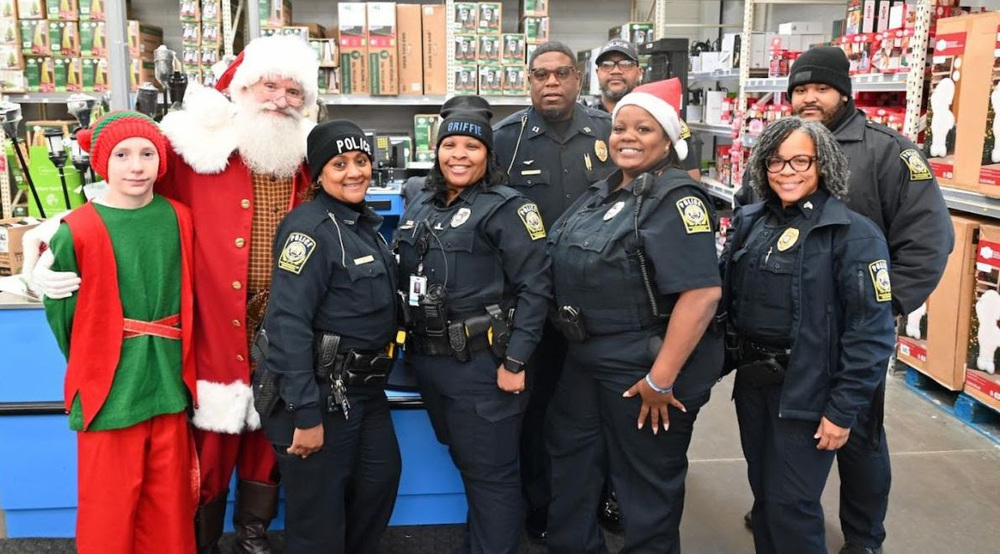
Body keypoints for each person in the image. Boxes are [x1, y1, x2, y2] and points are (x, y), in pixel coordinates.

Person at [26, 35, 321, 554]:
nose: (280, 98)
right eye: (269, 84)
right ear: (243, 88)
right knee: (208, 441)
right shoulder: (193, 153)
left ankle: (252, 533)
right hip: (209, 323)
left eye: (294, 90)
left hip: (284, 321)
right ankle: (199, 537)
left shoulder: (307, 160)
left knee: (270, 436)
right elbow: (128, 199)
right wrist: (49, 235)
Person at [735, 46, 954, 554]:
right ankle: (777, 504)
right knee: (782, 439)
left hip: (855, 327)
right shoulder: (774, 148)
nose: (809, 98)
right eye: (799, 90)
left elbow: (928, 241)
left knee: (856, 434)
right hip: (789, 335)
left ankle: (863, 535)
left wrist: (880, 310)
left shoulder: (887, 151)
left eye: (821, 88)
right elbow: (754, 218)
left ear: (844, 92)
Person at [545, 78, 724, 554]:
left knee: (645, 489)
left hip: (641, 366)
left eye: (643, 129)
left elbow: (702, 293)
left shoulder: (676, 200)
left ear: (667, 140)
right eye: (620, 126)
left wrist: (661, 380)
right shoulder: (602, 193)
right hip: (584, 357)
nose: (627, 136)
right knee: (572, 468)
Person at [723, 117, 897, 554]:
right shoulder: (750, 222)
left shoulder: (854, 235)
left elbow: (871, 334)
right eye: (776, 162)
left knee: (792, 504)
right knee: (764, 495)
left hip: (808, 391)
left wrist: (842, 411)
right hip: (754, 383)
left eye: (801, 160)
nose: (787, 171)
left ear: (824, 165)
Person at [394, 96, 552, 554]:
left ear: (488, 155)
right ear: (437, 150)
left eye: (471, 146)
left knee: (493, 475)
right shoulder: (421, 202)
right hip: (429, 362)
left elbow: (535, 290)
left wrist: (517, 360)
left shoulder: (508, 209)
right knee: (469, 462)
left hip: (485, 367)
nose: (459, 155)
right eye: (450, 145)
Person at [42, 112, 197, 554]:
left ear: (161, 161)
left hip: (168, 381)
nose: (136, 166)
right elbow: (64, 319)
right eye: (122, 154)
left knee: (169, 506)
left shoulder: (178, 217)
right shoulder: (81, 229)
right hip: (110, 388)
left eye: (147, 153)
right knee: (108, 506)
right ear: (101, 162)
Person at [258, 120, 401, 553]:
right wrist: (304, 414)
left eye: (361, 161)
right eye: (339, 164)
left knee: (380, 481)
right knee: (317, 522)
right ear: (319, 173)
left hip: (364, 393)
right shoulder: (310, 230)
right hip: (318, 394)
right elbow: (287, 324)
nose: (354, 172)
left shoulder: (362, 224)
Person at [492, 40, 615, 541]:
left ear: (579, 77)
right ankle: (539, 506)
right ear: (528, 81)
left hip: (600, 301)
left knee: (602, 408)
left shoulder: (611, 132)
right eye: (540, 74)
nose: (551, 83)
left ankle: (604, 497)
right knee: (535, 409)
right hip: (532, 305)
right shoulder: (507, 140)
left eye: (561, 73)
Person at [594, 38, 702, 182]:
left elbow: (691, 179)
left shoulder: (665, 120)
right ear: (597, 72)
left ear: (640, 72)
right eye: (607, 64)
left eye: (625, 64)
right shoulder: (586, 122)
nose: (616, 71)